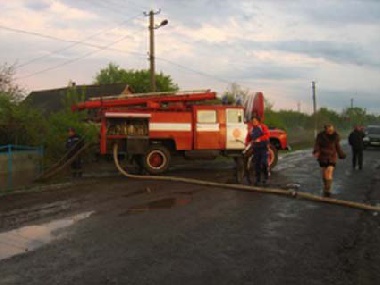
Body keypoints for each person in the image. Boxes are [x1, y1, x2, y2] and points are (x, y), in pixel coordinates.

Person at [313, 124, 346, 197]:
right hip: (323, 157)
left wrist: (341, 154)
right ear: (326, 129)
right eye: (329, 129)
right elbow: (317, 145)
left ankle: (327, 190)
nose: (331, 130)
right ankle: (326, 186)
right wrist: (316, 151)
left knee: (329, 171)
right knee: (324, 173)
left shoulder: (335, 137)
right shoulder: (320, 136)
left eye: (332, 129)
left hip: (332, 157)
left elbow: (338, 147)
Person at [245, 116, 270, 186]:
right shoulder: (251, 129)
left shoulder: (263, 127)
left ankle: (266, 178)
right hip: (256, 149)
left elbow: (267, 135)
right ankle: (258, 179)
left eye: (255, 120)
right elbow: (248, 138)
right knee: (257, 165)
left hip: (263, 148)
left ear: (258, 121)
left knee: (264, 163)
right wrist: (247, 143)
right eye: (253, 121)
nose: (254, 122)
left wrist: (259, 139)